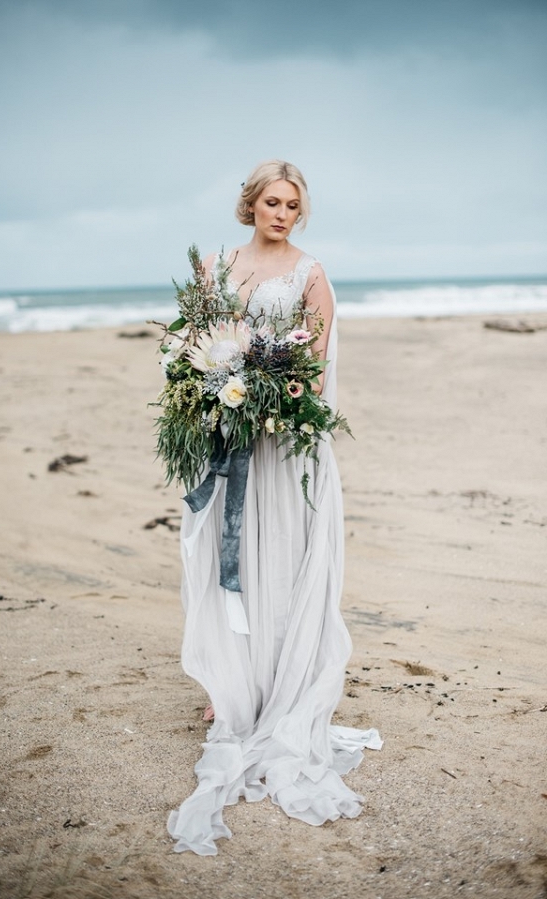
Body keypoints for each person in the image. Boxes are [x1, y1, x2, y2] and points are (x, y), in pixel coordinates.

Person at [167, 160, 381, 856]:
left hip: (285, 444)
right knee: (228, 559)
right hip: (229, 437)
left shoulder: (310, 274)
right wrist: (209, 388)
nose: (281, 212)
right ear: (250, 205)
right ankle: (234, 689)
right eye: (271, 201)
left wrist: (272, 400)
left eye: (292, 203)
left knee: (281, 560)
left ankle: (282, 692)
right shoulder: (219, 267)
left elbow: (312, 364)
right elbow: (192, 342)